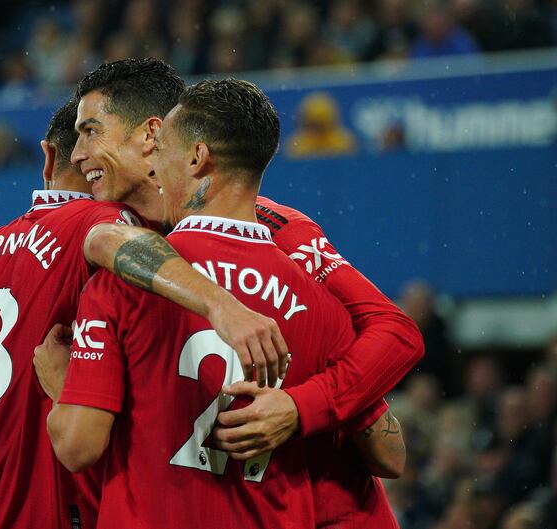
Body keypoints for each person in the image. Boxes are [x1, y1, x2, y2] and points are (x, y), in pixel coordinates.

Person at [0, 97, 287, 529]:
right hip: (61, 510)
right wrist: (221, 303)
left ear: (46, 157)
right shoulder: (105, 217)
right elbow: (109, 241)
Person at [57, 57, 422, 528]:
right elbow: (390, 453)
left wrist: (298, 405)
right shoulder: (310, 296)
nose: (78, 155)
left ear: (165, 143)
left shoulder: (282, 231)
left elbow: (396, 333)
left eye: (91, 132)